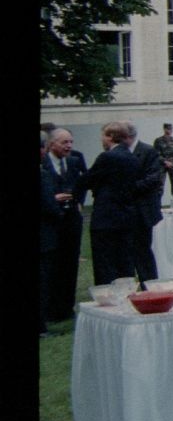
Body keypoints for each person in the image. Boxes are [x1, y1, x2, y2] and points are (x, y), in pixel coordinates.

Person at [77, 123, 140, 285]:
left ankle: (107, 298)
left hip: (106, 217)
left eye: (103, 136)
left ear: (110, 136)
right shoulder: (132, 157)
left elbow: (88, 179)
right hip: (126, 216)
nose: (102, 140)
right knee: (124, 262)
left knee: (105, 263)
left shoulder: (107, 157)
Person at [41, 128, 88, 326]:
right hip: (50, 221)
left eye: (70, 141)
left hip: (71, 220)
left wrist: (76, 199)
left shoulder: (75, 161)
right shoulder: (43, 164)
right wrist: (53, 199)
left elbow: (83, 182)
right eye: (64, 142)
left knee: (70, 263)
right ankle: (49, 308)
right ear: (52, 144)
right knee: (51, 265)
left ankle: (66, 307)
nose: (69, 146)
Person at [125, 122, 164, 283]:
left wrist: (128, 189)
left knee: (142, 250)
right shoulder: (118, 152)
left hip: (142, 210)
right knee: (127, 251)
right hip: (125, 210)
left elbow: (154, 178)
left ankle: (149, 284)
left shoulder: (147, 151)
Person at [152, 123, 173, 203]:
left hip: (172, 165)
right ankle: (159, 202)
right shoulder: (158, 141)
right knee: (160, 184)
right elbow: (156, 154)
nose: (170, 131)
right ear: (164, 129)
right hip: (162, 165)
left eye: (171, 129)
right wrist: (165, 162)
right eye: (168, 129)